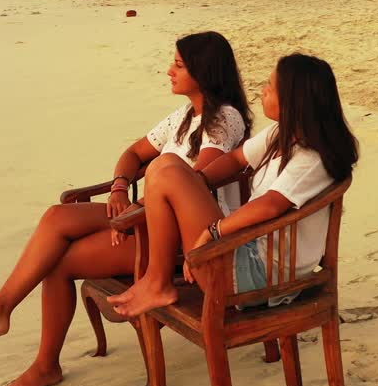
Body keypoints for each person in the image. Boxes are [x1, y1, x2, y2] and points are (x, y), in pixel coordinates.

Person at [0, 31, 252, 386]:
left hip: (182, 240)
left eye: (179, 65)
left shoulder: (223, 120)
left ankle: (43, 364)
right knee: (58, 217)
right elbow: (134, 155)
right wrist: (120, 187)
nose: (169, 71)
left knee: (58, 263)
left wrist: (131, 217)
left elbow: (196, 183)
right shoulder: (185, 116)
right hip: (145, 218)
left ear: (204, 72)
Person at [109, 53, 358, 318]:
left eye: (270, 86)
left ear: (293, 101)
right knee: (166, 166)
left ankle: (157, 282)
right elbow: (236, 158)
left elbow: (271, 205)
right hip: (245, 253)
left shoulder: (311, 157)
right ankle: (157, 279)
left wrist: (214, 231)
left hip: (259, 275)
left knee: (166, 169)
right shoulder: (282, 133)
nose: (263, 91)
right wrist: (196, 183)